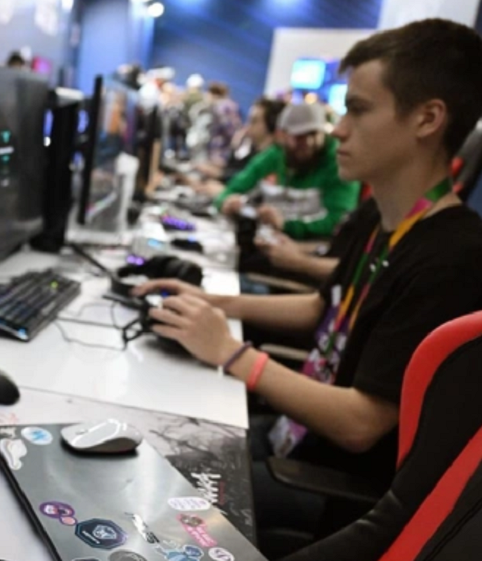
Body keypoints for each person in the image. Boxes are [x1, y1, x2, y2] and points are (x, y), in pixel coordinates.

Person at [135, 17, 482, 546]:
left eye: (357, 110)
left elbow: (361, 423)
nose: (337, 129)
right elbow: (323, 307)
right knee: (150, 432)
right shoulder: (380, 215)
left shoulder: (453, 257)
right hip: (292, 438)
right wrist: (211, 300)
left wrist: (230, 352)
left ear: (427, 119)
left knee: (149, 490)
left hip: (327, 486)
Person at [215, 102, 361, 240]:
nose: (309, 142)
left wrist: (286, 225)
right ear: (282, 135)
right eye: (300, 136)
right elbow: (233, 189)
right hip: (271, 242)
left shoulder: (338, 164)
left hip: (312, 249)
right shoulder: (273, 157)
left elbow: (338, 221)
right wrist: (226, 202)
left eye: (314, 134)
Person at [187, 97, 287, 196]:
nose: (248, 126)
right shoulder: (255, 152)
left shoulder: (277, 160)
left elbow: (256, 196)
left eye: (254, 121)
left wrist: (224, 194)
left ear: (272, 125)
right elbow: (240, 177)